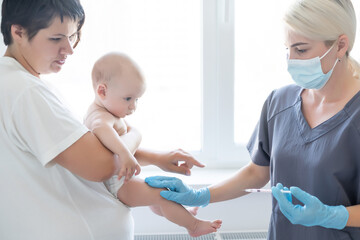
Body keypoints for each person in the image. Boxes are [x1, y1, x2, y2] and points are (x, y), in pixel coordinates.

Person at [145, 0, 360, 239]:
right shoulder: (279, 103)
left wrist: (331, 215)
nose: (291, 60)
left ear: (341, 45)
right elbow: (257, 173)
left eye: (301, 50)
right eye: (287, 49)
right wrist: (201, 195)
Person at [0, 0, 205, 239]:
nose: (69, 49)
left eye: (73, 36)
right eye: (56, 39)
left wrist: (156, 158)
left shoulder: (18, 84)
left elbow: (91, 150)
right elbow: (103, 165)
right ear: (19, 32)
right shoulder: (25, 91)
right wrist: (135, 134)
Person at [84, 52, 222, 237]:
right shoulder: (100, 116)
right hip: (117, 183)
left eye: (137, 99)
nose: (133, 106)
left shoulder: (109, 113)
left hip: (118, 180)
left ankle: (183, 216)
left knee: (158, 198)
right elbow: (101, 129)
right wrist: (125, 154)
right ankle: (193, 225)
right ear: (102, 91)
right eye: (128, 99)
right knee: (162, 194)